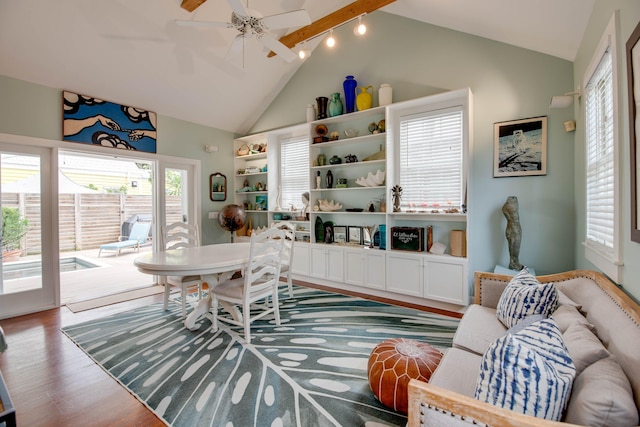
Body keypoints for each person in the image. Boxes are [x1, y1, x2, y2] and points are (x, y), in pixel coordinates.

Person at [502, 196, 523, 270]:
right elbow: (504, 210)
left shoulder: (514, 204)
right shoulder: (507, 206)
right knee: (513, 246)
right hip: (512, 228)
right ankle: (513, 263)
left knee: (516, 246)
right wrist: (509, 220)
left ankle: (515, 262)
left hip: (516, 227)